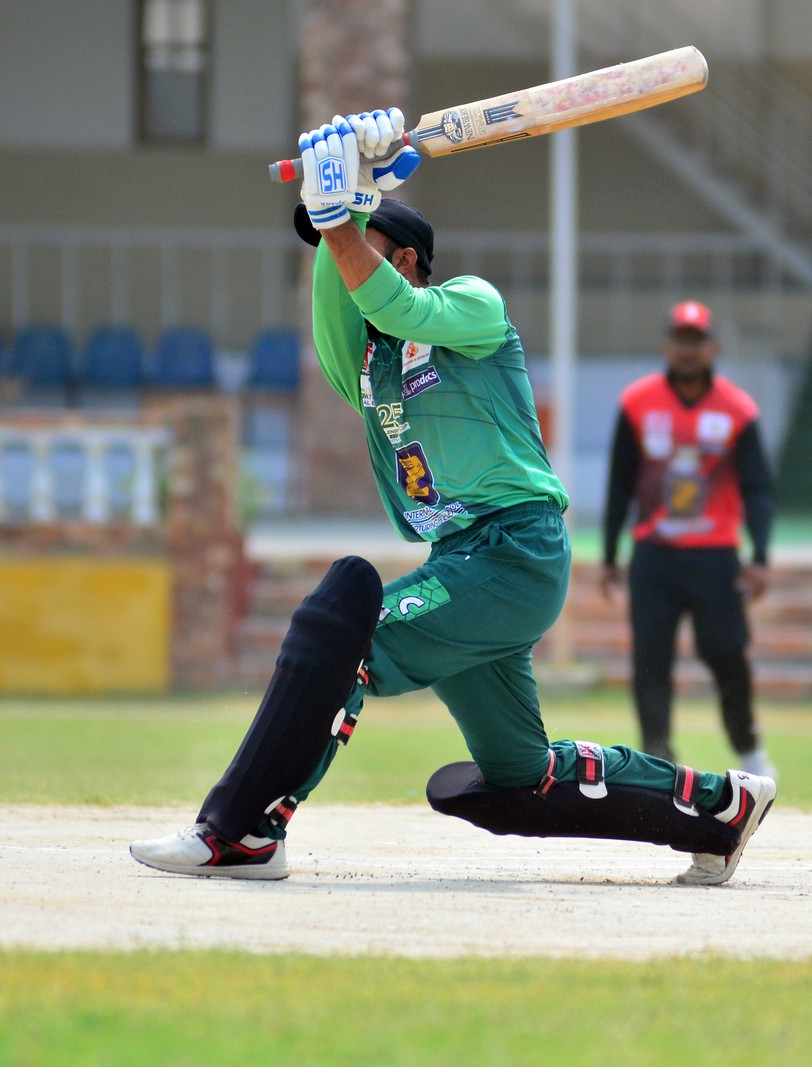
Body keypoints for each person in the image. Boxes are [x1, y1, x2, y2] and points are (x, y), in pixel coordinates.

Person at [130, 110, 775, 886]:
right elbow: (339, 314)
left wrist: (343, 216)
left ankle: (245, 831)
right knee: (521, 778)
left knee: (347, 637)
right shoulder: (369, 368)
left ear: (406, 258)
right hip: (462, 560)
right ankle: (721, 809)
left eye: (361, 243)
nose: (341, 258)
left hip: (517, 550)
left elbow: (400, 308)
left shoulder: (473, 308)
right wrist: (342, 209)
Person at [599, 301, 776, 778]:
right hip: (654, 556)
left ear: (713, 347)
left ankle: (748, 747)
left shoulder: (738, 409)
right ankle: (658, 759)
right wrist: (611, 555)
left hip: (715, 556)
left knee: (726, 652)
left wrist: (760, 555)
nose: (688, 350)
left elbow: (758, 489)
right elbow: (619, 483)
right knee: (650, 660)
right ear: (666, 345)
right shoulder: (638, 403)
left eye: (697, 341)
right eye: (680, 340)